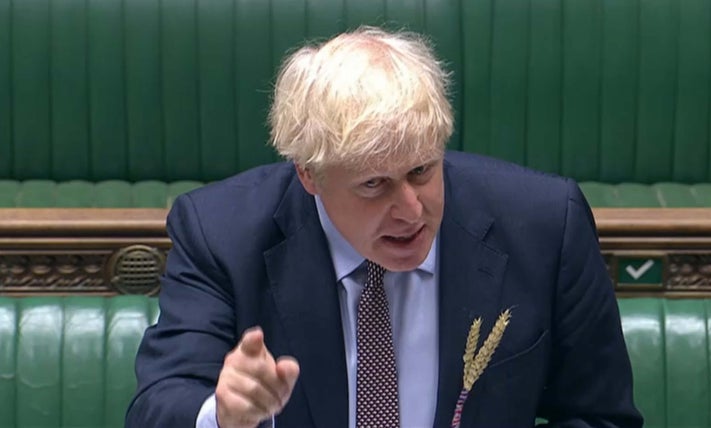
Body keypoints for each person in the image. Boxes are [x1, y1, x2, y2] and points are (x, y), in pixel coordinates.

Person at [126, 27, 642, 428]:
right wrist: (224, 414)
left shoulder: (546, 224)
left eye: (422, 171)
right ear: (309, 175)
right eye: (375, 185)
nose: (412, 210)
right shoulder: (221, 233)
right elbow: (158, 404)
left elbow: (601, 415)